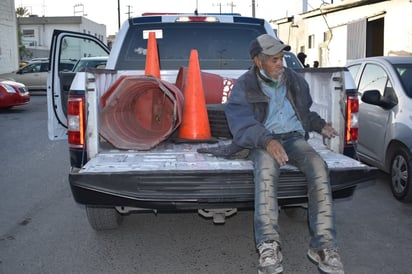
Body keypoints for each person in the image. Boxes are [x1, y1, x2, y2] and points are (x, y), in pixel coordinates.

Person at [224, 34, 344, 274]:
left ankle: (322, 246)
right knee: (267, 170)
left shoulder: (295, 81)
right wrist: (267, 141)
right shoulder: (244, 85)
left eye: (281, 59)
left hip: (292, 137)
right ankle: (268, 246)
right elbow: (241, 123)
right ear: (258, 61)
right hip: (261, 140)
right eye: (274, 60)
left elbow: (304, 113)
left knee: (319, 167)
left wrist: (320, 125)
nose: (281, 64)